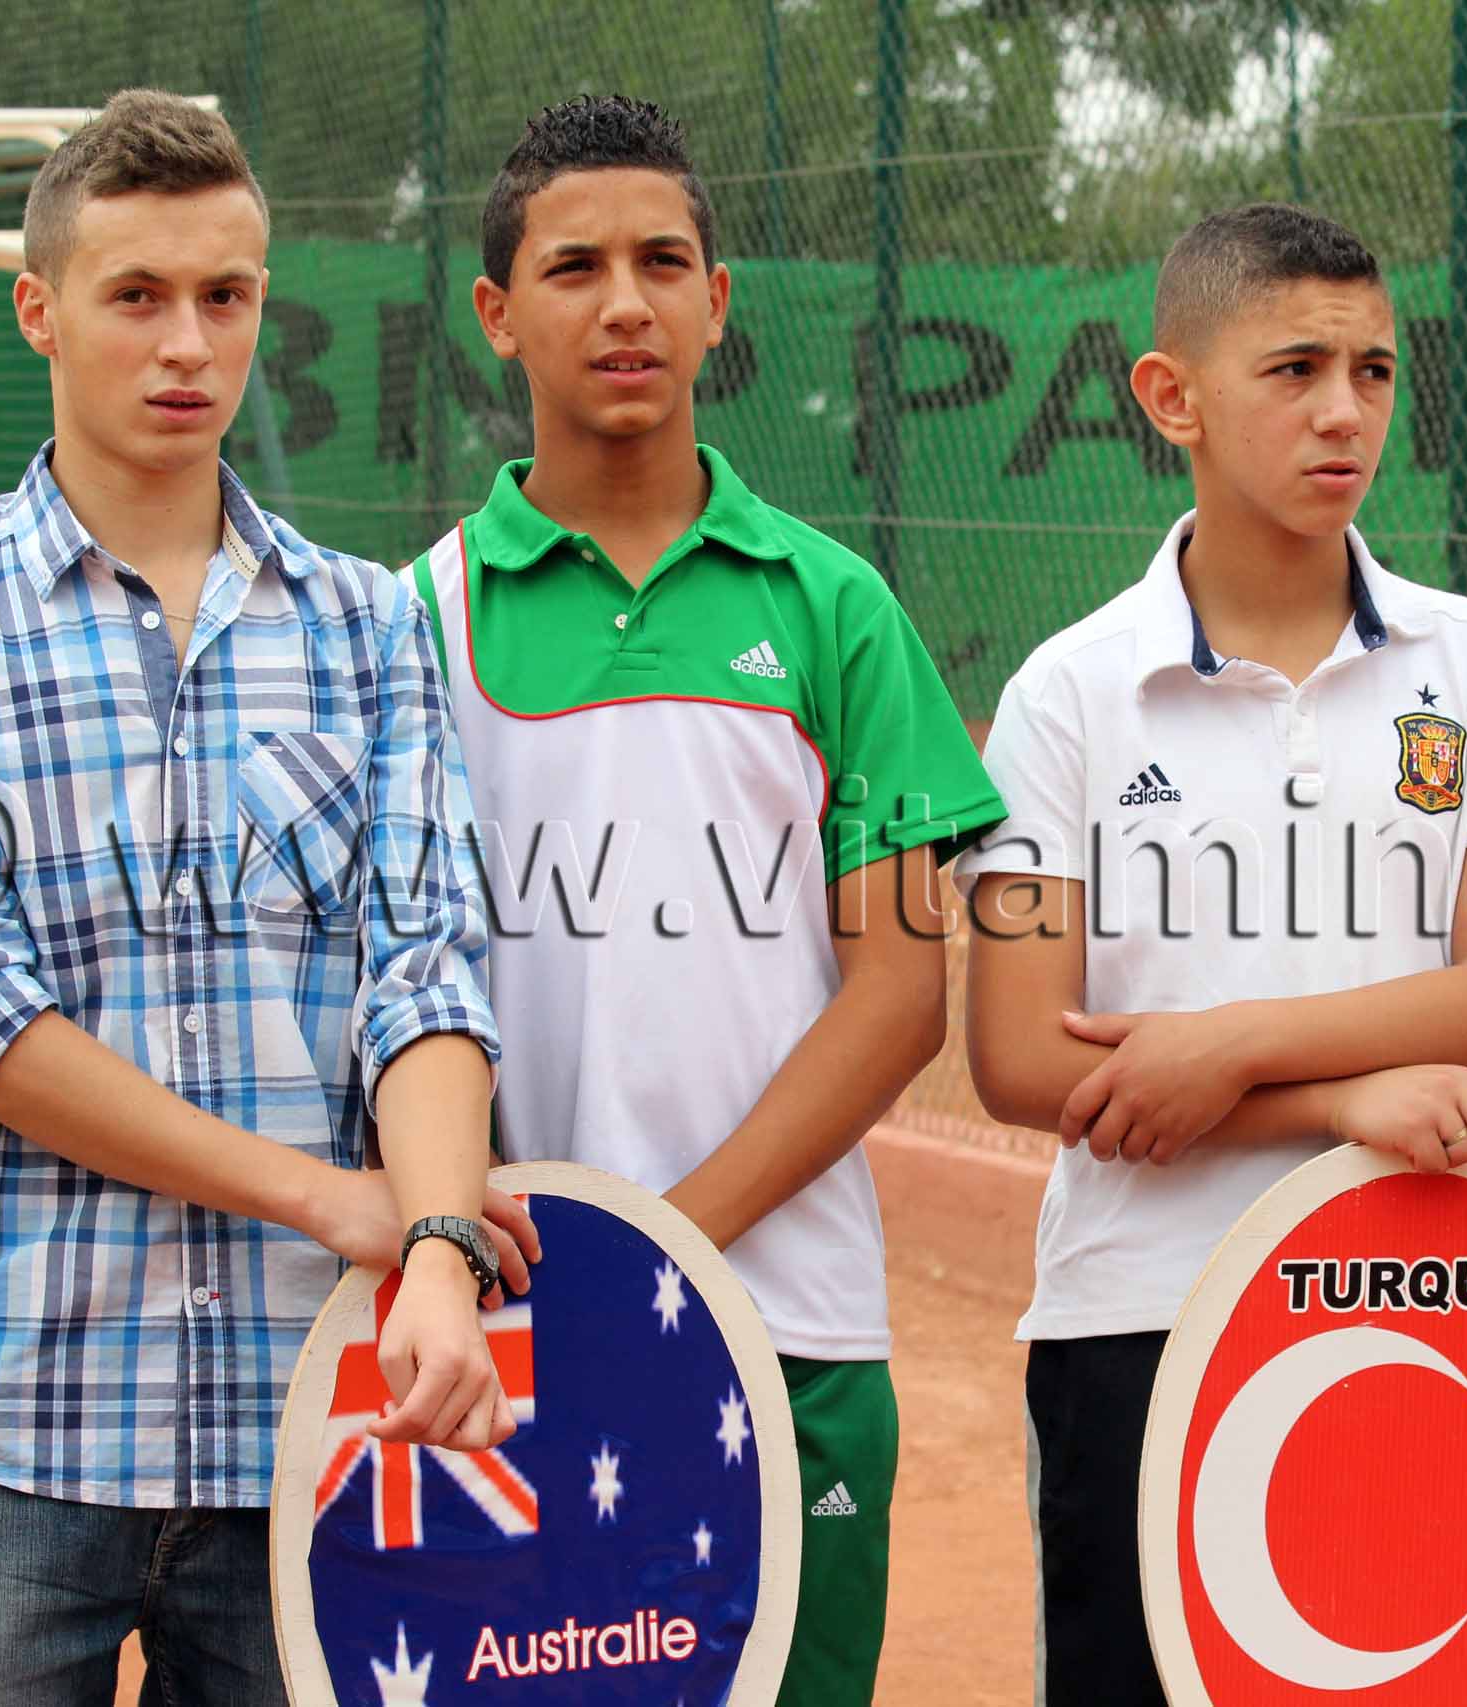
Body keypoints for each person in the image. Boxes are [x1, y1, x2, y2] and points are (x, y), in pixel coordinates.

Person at [0, 90, 537, 1706]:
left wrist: (431, 1244)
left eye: (226, 296)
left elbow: (422, 967)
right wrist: (322, 1196)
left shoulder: (368, 625)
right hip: (14, 1433)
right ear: (41, 312)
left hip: (313, 1428)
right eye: (136, 296)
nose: (187, 344)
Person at [405, 94, 1006, 1707]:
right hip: (504, 1339)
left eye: (666, 261)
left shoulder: (835, 607)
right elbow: (404, 987)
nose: (626, 303)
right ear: (497, 314)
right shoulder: (419, 619)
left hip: (787, 1338)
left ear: (719, 301)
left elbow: (899, 994)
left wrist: (670, 1241)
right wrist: (500, 1250)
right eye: (575, 266)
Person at [954, 202, 1467, 1705]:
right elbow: (1024, 1057)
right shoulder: (1065, 697)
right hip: (1139, 1316)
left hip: (1423, 1301)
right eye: (1293, 368)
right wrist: (1340, 1101)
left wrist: (1233, 1048)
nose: (1344, 411)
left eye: (1373, 370)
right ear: (1171, 397)